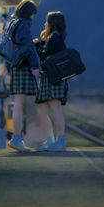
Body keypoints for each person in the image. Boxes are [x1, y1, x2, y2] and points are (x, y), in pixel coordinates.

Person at [7, 0, 40, 152]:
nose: (33, 17)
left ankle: (17, 138)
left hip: (15, 65)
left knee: (18, 103)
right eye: (33, 14)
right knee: (19, 103)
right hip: (23, 66)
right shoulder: (24, 24)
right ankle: (17, 138)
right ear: (29, 13)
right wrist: (35, 66)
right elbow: (27, 47)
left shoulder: (13, 23)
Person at [35, 11, 68, 151]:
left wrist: (37, 46)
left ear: (52, 23)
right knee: (42, 109)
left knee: (55, 108)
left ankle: (60, 141)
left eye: (47, 21)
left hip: (53, 78)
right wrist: (42, 43)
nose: (45, 24)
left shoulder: (54, 38)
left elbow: (45, 56)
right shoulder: (56, 37)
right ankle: (50, 140)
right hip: (49, 77)